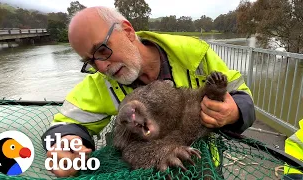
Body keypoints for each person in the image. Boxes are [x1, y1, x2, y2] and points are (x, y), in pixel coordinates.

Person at [41, 6, 256, 177]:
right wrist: (66, 142)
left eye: (102, 50)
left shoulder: (193, 54)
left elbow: (240, 93)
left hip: (205, 164)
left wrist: (235, 110)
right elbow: (65, 122)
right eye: (90, 61)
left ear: (127, 31)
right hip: (151, 170)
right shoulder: (100, 83)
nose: (102, 67)